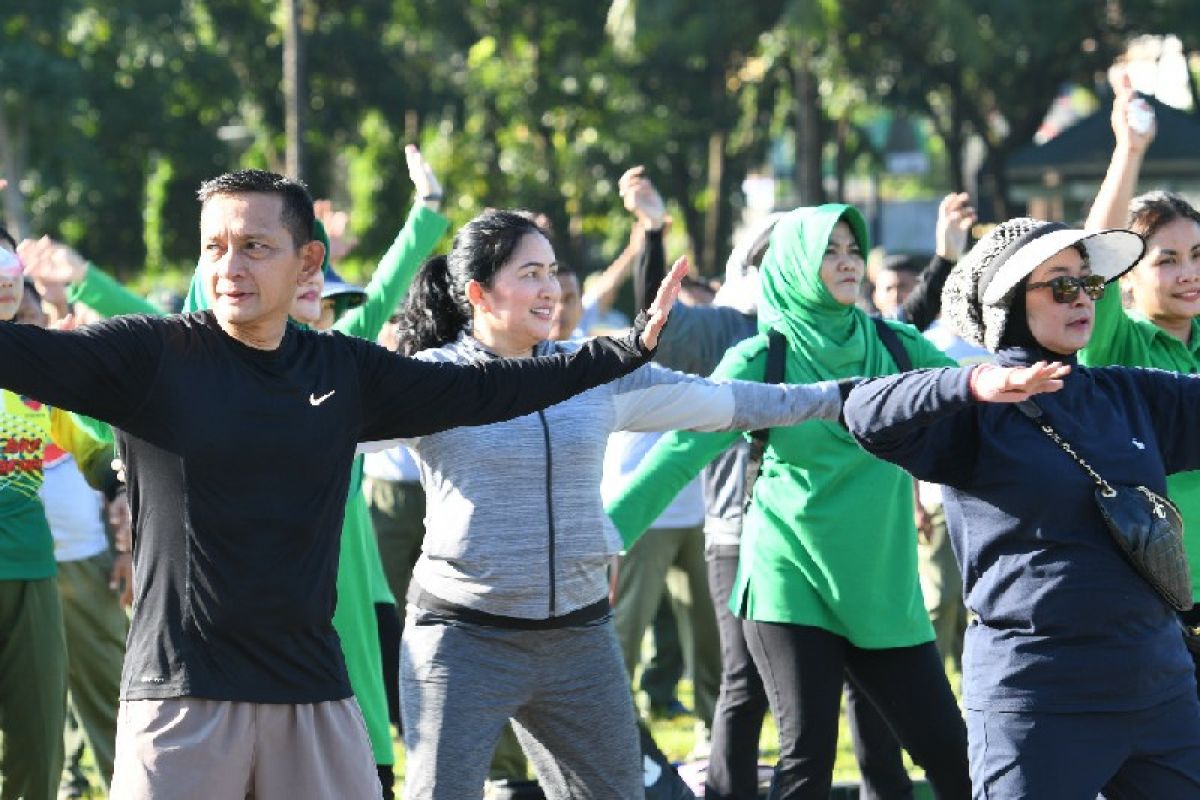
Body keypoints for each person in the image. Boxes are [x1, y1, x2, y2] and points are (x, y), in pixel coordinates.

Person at [0, 168, 683, 799]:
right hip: (184, 698)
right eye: (215, 247)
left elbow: (484, 388)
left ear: (308, 263)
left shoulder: (343, 370)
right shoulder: (150, 357)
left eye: (255, 246)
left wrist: (624, 350)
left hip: (314, 695)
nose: (230, 267)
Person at [380, 207, 854, 800]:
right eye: (530, 273)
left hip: (579, 641)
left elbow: (729, 402)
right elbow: (323, 429)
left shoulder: (593, 371)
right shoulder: (434, 379)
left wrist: (843, 397)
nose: (550, 289)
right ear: (479, 292)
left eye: (552, 271)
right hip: (461, 638)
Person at [606, 203, 972, 800]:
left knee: (953, 757)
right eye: (829, 251)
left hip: (881, 581)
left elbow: (973, 393)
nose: (848, 262)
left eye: (854, 250)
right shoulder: (760, 356)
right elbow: (679, 452)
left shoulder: (897, 347)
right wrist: (607, 533)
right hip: (788, 576)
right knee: (808, 759)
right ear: (795, 264)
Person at [844, 215, 1200, 798]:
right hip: (1037, 699)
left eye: (1089, 284)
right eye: (1061, 284)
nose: (1082, 297)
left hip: (1157, 687)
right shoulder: (974, 408)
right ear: (1010, 300)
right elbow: (863, 411)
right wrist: (972, 384)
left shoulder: (1130, 392)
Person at [1077, 73, 1200, 674]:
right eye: (1168, 260)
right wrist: (1129, 150)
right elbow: (1093, 256)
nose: (1188, 273)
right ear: (1129, 273)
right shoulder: (1114, 341)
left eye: (1198, 256)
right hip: (1149, 606)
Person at [0, 235, 111, 800]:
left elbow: (91, 450)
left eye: (8, 262)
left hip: (32, 573)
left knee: (37, 748)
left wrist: (122, 483)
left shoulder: (37, 372)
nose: (3, 275)